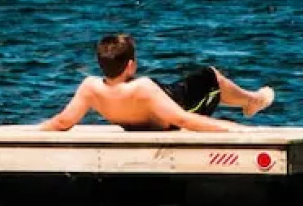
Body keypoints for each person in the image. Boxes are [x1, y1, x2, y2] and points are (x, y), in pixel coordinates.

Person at [40, 33, 275, 133]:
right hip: (176, 106)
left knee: (200, 79)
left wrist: (37, 130)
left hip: (154, 108)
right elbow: (183, 119)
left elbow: (63, 121)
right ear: (130, 65)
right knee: (211, 76)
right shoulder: (142, 87)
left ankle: (252, 100)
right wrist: (237, 130)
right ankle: (253, 101)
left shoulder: (91, 88)